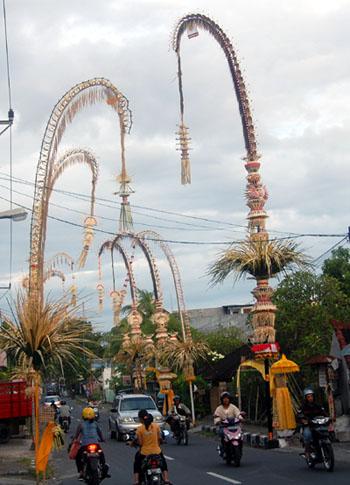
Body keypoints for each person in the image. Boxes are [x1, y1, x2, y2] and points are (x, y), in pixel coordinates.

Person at [132, 409, 170, 485]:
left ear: (140, 419)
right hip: (157, 452)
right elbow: (160, 439)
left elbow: (140, 443)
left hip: (144, 453)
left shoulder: (139, 429)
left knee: (137, 463)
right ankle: (166, 479)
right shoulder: (156, 426)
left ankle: (136, 481)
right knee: (163, 463)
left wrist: (132, 443)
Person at [73, 407, 109, 481]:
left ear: (83, 416)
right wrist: (102, 439)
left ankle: (81, 472)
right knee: (101, 454)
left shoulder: (81, 425)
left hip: (85, 446)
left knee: (78, 457)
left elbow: (76, 436)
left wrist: (74, 440)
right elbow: (100, 433)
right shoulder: (95, 424)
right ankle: (103, 466)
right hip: (95, 444)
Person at [298, 388, 327, 459]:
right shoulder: (303, 407)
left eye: (311, 396)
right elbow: (299, 415)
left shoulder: (318, 405)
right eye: (308, 397)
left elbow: (324, 413)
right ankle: (307, 452)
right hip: (309, 425)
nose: (310, 398)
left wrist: (329, 418)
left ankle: (326, 446)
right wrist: (303, 420)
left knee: (325, 431)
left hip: (318, 424)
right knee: (307, 435)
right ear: (305, 398)